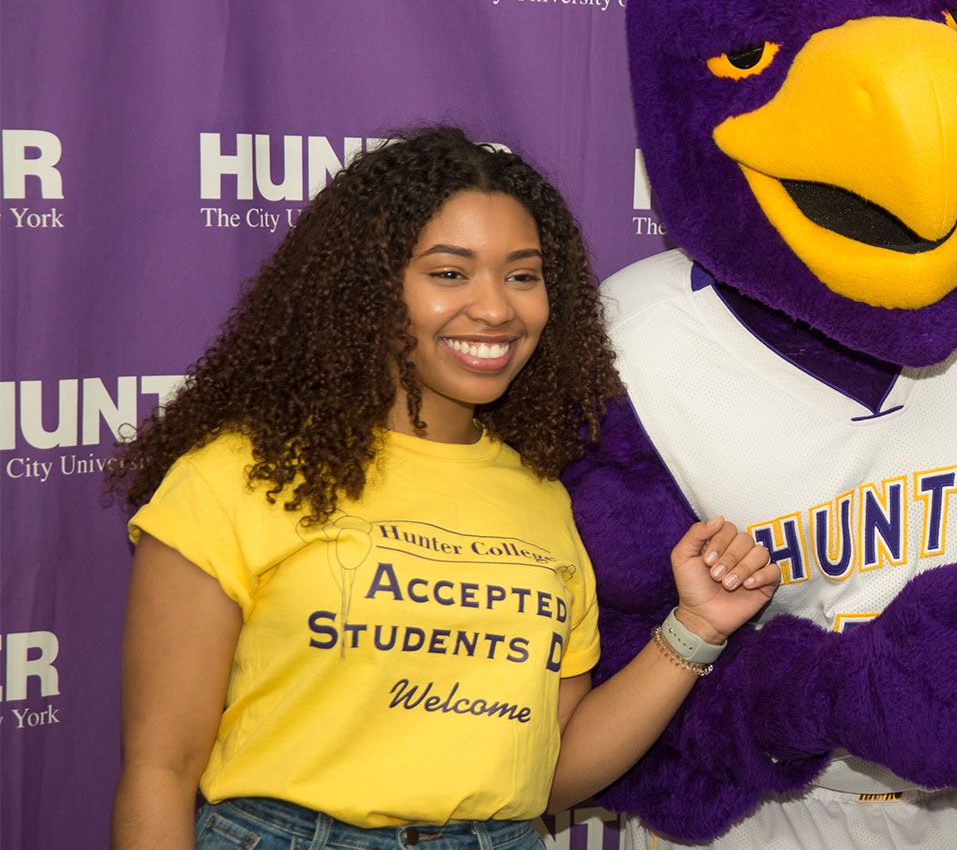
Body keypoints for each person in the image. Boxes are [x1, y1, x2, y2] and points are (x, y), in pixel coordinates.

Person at [107, 126, 778, 850]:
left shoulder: (543, 497)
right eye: (450, 273)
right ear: (368, 288)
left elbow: (549, 772)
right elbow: (160, 770)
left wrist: (697, 628)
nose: (496, 309)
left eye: (523, 275)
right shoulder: (238, 474)